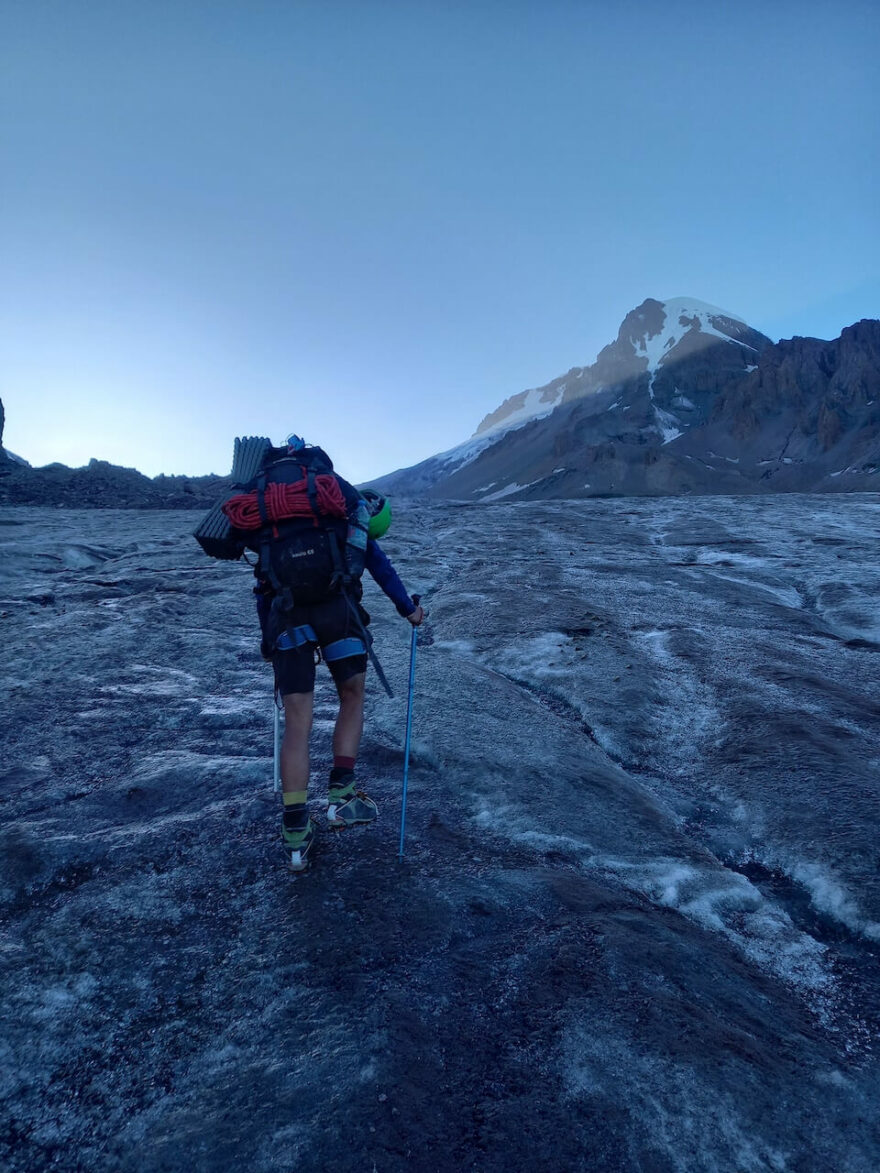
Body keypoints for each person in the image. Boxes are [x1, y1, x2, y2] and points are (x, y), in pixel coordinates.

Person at [253, 438, 424, 871]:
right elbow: (378, 564)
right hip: (338, 613)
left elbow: (263, 584)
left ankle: (295, 832)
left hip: (286, 616)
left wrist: (266, 638)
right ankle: (341, 797)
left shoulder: (273, 520)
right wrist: (410, 610)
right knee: (351, 696)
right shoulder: (341, 510)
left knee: (298, 722)